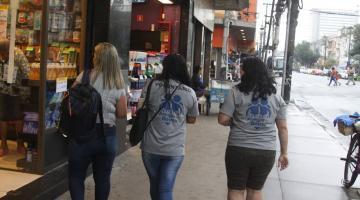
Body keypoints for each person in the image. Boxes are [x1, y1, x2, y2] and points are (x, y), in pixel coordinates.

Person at [218, 56, 289, 200]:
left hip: (238, 149)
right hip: (266, 151)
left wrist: (236, 122)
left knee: (236, 190)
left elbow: (223, 119)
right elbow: (283, 128)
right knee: (255, 191)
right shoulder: (276, 96)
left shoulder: (236, 91)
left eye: (242, 69)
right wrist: (284, 153)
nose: (240, 72)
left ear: (247, 72)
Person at [69, 42, 127, 200]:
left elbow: (70, 101)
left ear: (99, 58)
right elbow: (122, 113)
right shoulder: (118, 82)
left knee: (76, 176)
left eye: (95, 54)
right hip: (107, 136)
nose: (93, 57)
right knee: (102, 179)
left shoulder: (84, 76)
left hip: (83, 134)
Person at [140, 54, 199, 200]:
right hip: (174, 149)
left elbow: (141, 107)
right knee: (165, 189)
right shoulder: (189, 92)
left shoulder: (152, 84)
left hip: (150, 147)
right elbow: (192, 119)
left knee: (155, 184)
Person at [0, 39, 30, 156]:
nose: (4, 56)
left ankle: (20, 143)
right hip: (2, 90)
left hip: (17, 91)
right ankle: (3, 145)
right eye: (2, 54)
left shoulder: (18, 54)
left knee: (18, 117)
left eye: (6, 53)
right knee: (2, 117)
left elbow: (27, 71)